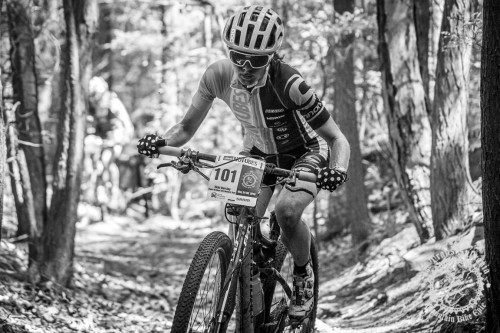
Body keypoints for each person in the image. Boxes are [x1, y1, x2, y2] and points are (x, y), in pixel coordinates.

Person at [137, 5, 350, 321]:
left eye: (257, 60)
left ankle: (304, 278)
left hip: (302, 155)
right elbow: (184, 128)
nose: (246, 66)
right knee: (239, 220)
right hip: (257, 156)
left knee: (286, 211)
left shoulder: (291, 83)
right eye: (238, 57)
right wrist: (162, 143)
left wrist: (338, 170)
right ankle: (252, 309)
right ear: (229, 52)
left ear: (272, 57)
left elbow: (337, 139)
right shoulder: (217, 76)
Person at [88, 76, 135, 212]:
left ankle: (114, 192)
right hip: (102, 137)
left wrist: (121, 140)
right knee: (96, 163)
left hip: (116, 136)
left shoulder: (112, 102)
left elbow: (125, 122)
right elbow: (92, 123)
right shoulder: (92, 105)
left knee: (107, 160)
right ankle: (96, 193)